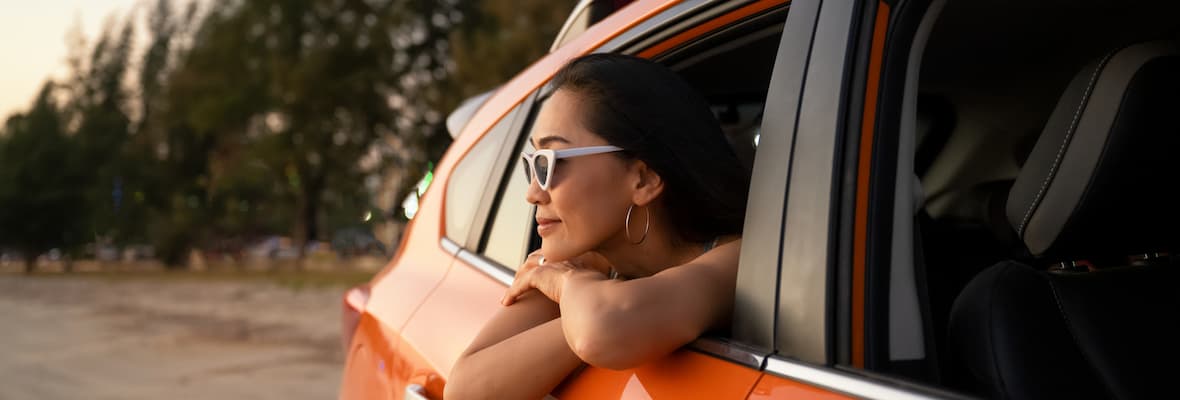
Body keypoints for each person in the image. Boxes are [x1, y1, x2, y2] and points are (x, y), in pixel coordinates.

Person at [445, 53, 751, 400]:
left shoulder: (738, 261)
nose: (532, 193)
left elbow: (600, 329)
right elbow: (465, 390)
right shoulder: (589, 261)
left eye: (550, 162)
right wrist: (585, 296)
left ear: (643, 179)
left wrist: (568, 286)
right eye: (532, 163)